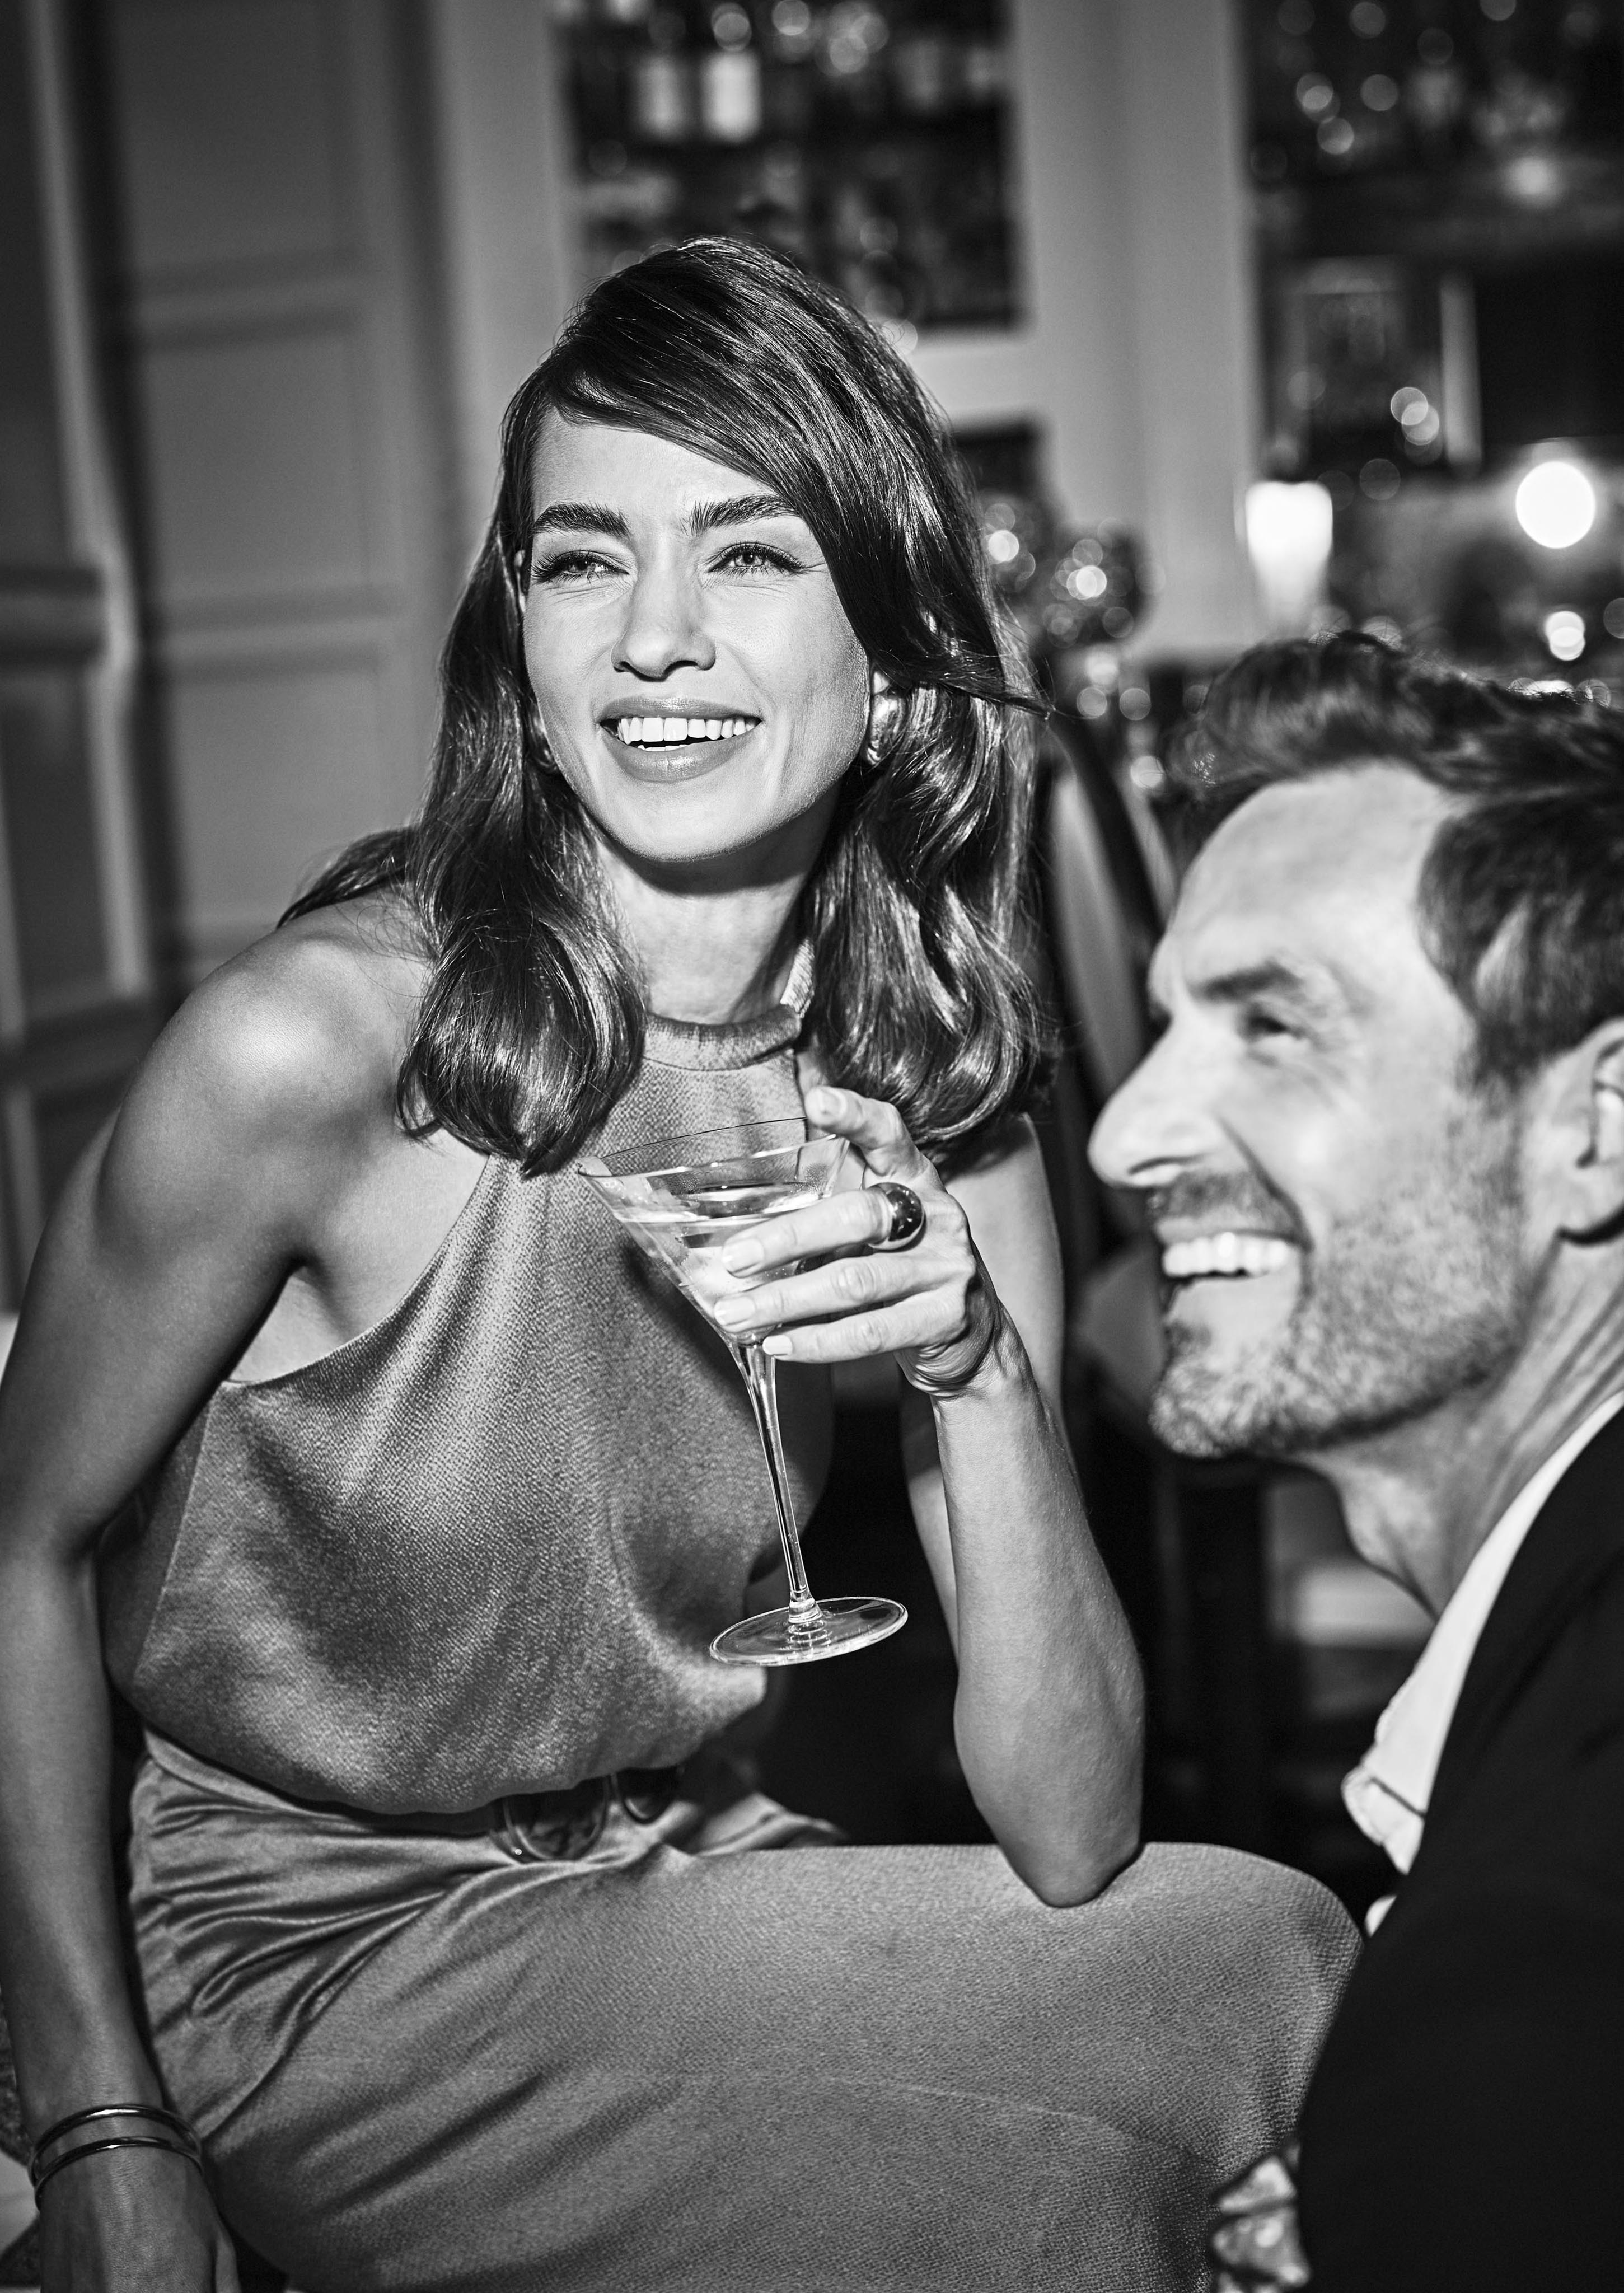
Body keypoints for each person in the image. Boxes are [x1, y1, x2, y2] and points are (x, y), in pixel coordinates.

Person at [0, 238, 1354, 2293]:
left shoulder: (934, 1112)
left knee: (1274, 1956)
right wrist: (95, 2120)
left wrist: (981, 1370)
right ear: (521, 659)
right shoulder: (320, 1055)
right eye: (577, 562)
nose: (652, 638)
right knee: (1066, 2192)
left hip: (660, 1865)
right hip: (298, 1946)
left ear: (895, 664)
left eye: (745, 556)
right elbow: (11, 1549)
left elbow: (1071, 1829)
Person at [1091, 631, 1624, 2291]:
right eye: (1175, 1019)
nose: (1124, 1135)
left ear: (1595, 1134)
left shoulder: (1524, 2014)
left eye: (1275, 1027)